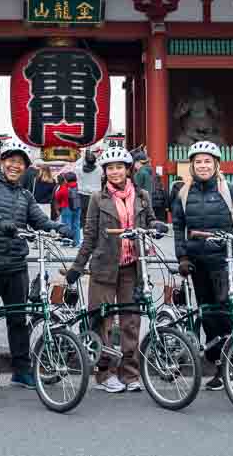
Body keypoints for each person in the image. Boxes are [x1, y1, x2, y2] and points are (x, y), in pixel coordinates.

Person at [0, 141, 72, 390]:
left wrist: (59, 227)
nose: (15, 166)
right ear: (2, 162)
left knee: (18, 320)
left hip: (15, 266)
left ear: (25, 167)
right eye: (11, 160)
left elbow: (40, 220)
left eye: (20, 163)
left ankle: (21, 371)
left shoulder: (25, 195)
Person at [66, 147, 166, 393]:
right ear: (105, 172)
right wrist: (77, 267)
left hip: (133, 267)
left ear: (128, 169)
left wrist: (157, 226)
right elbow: (89, 236)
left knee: (131, 321)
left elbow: (150, 219)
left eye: (119, 167)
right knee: (103, 321)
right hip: (104, 267)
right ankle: (105, 373)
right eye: (110, 168)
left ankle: (130, 373)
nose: (115, 172)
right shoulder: (97, 199)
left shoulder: (142, 195)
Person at [172, 140, 233, 391]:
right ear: (192, 166)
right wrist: (182, 257)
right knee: (208, 317)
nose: (203, 165)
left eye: (207, 161)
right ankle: (220, 368)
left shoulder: (230, 190)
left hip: (226, 262)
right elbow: (178, 228)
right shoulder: (183, 193)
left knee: (228, 316)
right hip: (198, 263)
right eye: (198, 161)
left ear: (216, 164)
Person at [76, 148, 102, 224]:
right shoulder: (99, 169)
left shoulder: (79, 170)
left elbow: (77, 164)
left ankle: (84, 232)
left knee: (83, 216)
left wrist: (83, 157)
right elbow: (97, 163)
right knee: (95, 216)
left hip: (82, 195)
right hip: (96, 194)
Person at [55, 174, 78, 246]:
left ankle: (66, 242)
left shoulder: (65, 187)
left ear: (66, 180)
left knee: (66, 225)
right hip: (77, 207)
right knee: (76, 224)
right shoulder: (79, 187)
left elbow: (57, 196)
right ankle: (76, 242)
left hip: (66, 207)